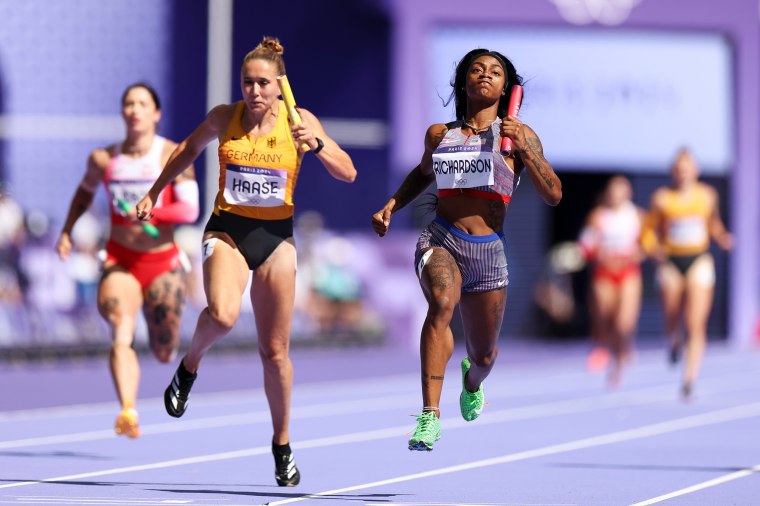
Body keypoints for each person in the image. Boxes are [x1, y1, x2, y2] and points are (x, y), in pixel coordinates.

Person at [135, 37, 356, 486]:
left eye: (262, 84)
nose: (253, 92)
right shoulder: (225, 117)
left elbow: (348, 171)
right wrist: (154, 192)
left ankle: (282, 444)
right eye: (247, 83)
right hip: (228, 229)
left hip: (276, 237)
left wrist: (315, 145)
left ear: (279, 86)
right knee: (222, 314)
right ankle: (190, 365)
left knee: (274, 353)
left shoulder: (300, 120)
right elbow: (186, 150)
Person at [372, 48, 561, 451]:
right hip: (441, 238)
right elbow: (422, 174)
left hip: (488, 251)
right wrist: (393, 204)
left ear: (506, 87)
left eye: (495, 72)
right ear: (464, 82)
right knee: (441, 303)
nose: (485, 75)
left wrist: (524, 148)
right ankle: (429, 417)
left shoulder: (520, 137)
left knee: (485, 356)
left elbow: (554, 195)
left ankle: (471, 381)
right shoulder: (440, 134)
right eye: (476, 70)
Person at [56, 83, 199, 438]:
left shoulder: (172, 154)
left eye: (142, 103)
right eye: (128, 104)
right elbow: (83, 194)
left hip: (162, 261)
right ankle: (128, 411)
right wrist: (67, 231)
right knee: (121, 328)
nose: (135, 109)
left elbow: (191, 209)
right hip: (120, 260)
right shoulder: (104, 160)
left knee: (165, 351)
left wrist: (154, 210)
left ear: (156, 113)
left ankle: (163, 350)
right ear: (123, 112)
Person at [646, 148, 732, 399]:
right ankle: (673, 340)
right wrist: (654, 249)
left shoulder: (707, 195)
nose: (683, 174)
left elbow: (712, 223)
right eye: (679, 170)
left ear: (695, 171)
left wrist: (722, 236)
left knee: (695, 322)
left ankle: (689, 378)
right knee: (672, 317)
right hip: (672, 261)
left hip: (698, 259)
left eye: (687, 169)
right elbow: (649, 230)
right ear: (674, 172)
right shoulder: (662, 198)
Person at [578, 175, 645, 385]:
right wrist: (595, 253)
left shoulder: (637, 216)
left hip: (628, 273)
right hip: (604, 273)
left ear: (628, 193)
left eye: (621, 190)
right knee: (605, 317)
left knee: (624, 323)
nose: (616, 195)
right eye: (613, 190)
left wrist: (635, 254)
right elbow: (586, 246)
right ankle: (605, 347)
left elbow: (648, 245)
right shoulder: (598, 216)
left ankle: (619, 358)